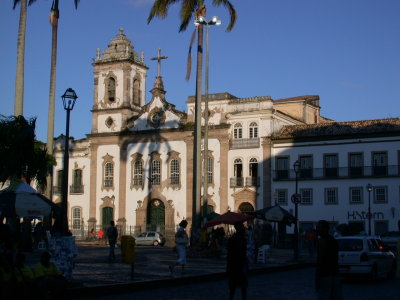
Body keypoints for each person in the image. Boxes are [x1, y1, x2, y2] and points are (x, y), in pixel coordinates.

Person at [315, 220, 343, 300]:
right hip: (335, 273)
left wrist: (317, 276)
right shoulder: (333, 240)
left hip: (325, 274)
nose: (317, 229)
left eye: (318, 227)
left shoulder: (321, 241)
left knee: (324, 296)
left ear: (324, 229)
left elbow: (321, 259)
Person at [227, 222, 248, 300]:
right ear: (238, 228)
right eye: (242, 227)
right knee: (242, 286)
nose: (244, 228)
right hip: (237, 264)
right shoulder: (239, 239)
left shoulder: (235, 238)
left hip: (235, 264)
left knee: (234, 286)